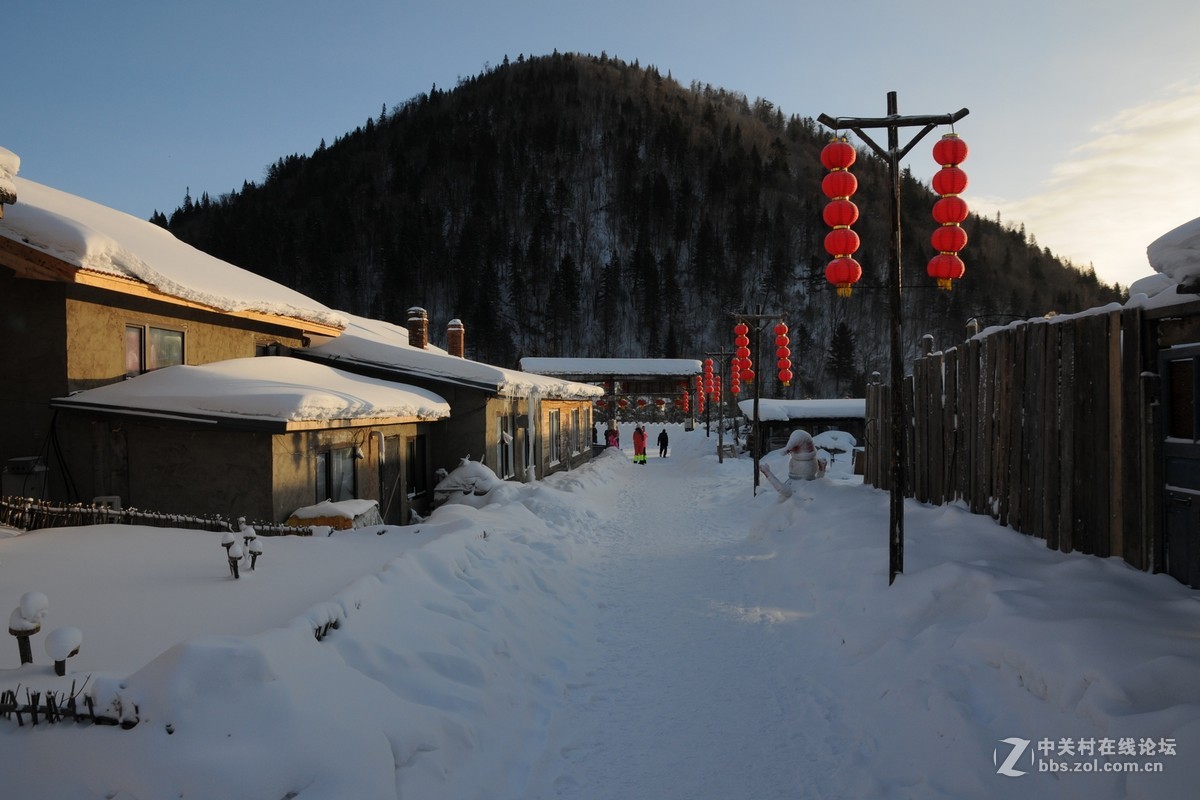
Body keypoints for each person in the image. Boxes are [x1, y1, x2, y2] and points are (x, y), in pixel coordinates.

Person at [759, 429, 826, 498]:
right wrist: (821, 471)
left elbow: (783, 489)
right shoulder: (809, 485)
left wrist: (768, 473)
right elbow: (817, 484)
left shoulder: (799, 488)